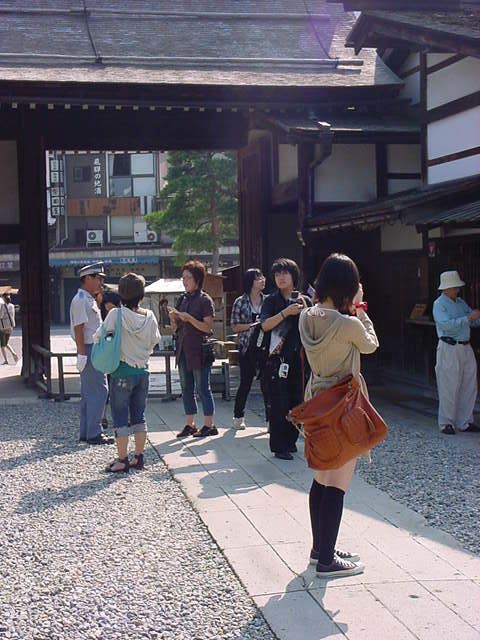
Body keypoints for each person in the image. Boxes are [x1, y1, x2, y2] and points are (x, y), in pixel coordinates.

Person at [299, 253, 378, 578]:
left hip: (316, 401)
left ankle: (321, 549)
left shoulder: (306, 316)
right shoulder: (348, 324)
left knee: (321, 476)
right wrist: (360, 309)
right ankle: (327, 562)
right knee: (338, 482)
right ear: (348, 286)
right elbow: (371, 345)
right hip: (344, 406)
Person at [95, 273, 160, 473]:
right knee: (139, 415)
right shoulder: (149, 316)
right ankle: (139, 457)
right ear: (142, 294)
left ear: (121, 294)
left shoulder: (116, 314)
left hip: (121, 371)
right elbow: (155, 340)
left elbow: (101, 335)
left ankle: (122, 459)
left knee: (120, 416)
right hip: (143, 371)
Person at [260, 258, 310, 460]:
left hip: (299, 359)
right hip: (277, 358)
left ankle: (290, 441)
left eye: (285, 273)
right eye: (277, 274)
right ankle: (279, 446)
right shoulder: (271, 301)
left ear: (293, 276)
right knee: (279, 402)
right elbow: (265, 325)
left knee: (297, 399)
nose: (281, 278)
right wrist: (285, 312)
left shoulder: (304, 300)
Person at [170, 260, 217, 438]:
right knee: (186, 387)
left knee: (203, 387)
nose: (185, 281)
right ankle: (190, 424)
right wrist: (174, 319)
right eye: (183, 278)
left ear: (197, 279)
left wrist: (189, 318)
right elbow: (177, 328)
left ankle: (209, 424)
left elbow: (208, 327)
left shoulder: (204, 300)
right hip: (183, 349)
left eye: (188, 277)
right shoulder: (182, 299)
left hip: (199, 350)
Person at [70, 262, 113, 445]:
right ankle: (94, 433)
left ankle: (87, 432)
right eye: (98, 278)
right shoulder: (81, 300)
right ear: (87, 278)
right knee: (100, 391)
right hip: (89, 348)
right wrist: (82, 354)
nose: (100, 282)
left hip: (91, 347)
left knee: (89, 393)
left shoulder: (87, 298)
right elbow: (79, 328)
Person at [432, 270, 480, 435]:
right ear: (446, 288)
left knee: (469, 385)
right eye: (454, 287)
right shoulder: (439, 304)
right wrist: (469, 318)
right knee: (449, 385)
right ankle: (447, 422)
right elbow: (446, 325)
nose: (457, 290)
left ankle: (465, 421)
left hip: (465, 346)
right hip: (449, 346)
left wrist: (475, 317)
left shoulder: (460, 302)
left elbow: (473, 321)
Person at [230, 268, 267, 429]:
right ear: (250, 282)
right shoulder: (240, 301)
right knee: (245, 382)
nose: (262, 280)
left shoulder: (268, 300)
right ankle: (238, 416)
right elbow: (234, 326)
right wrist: (253, 325)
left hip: (265, 346)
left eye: (262, 277)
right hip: (247, 346)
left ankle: (270, 419)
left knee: (267, 384)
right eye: (258, 278)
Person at [0, 294, 18, 365]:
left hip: (3, 327)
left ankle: (6, 360)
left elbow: (1, 316)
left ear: (4, 299)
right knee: (6, 343)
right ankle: (13, 353)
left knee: (2, 345)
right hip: (10, 326)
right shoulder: (12, 306)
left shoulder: (2, 306)